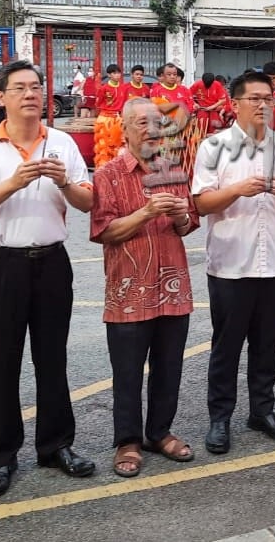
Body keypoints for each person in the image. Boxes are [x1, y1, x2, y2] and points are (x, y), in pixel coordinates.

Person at [0, 60, 97, 498]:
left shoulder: (62, 143)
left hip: (52, 262)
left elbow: (87, 202)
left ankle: (56, 446)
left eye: (36, 87)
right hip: (1, 266)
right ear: (0, 97)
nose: (30, 95)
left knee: (52, 359)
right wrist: (13, 183)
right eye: (19, 88)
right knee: (1, 363)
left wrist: (65, 184)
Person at [192, 72, 275, 454]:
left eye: (269, 99)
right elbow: (201, 202)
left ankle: (262, 410)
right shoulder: (215, 147)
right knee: (226, 347)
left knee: (267, 345)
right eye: (255, 98)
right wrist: (236, 190)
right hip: (230, 265)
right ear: (235, 104)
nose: (263, 105)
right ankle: (220, 418)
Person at [91, 98, 199, 478]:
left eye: (157, 123)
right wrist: (146, 212)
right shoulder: (108, 174)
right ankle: (128, 441)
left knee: (169, 366)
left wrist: (181, 215)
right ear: (124, 129)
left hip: (172, 286)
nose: (151, 130)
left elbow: (188, 226)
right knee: (128, 371)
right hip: (128, 289)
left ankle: (159, 432)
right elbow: (104, 232)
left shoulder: (172, 170)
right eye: (141, 123)